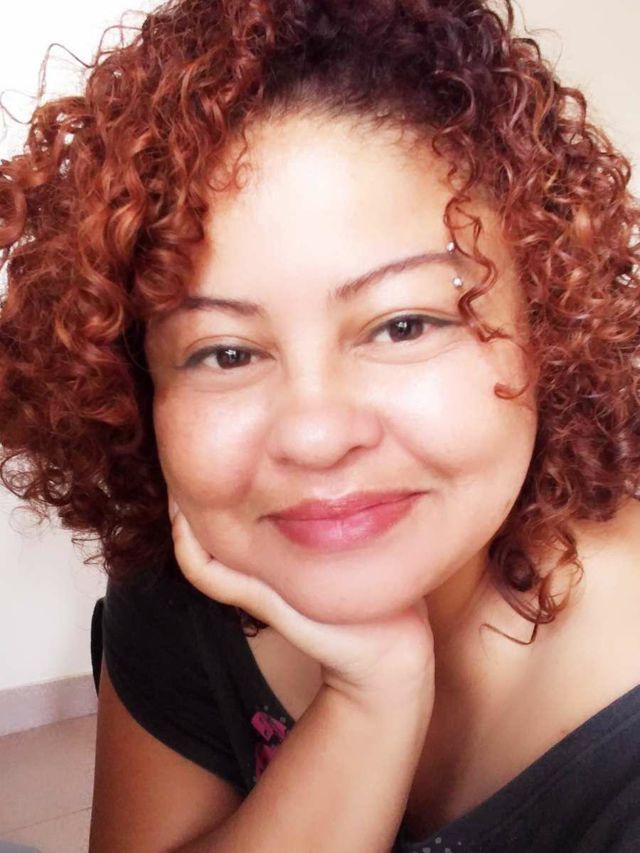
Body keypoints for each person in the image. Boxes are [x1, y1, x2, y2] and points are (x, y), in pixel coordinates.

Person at [1, 0, 639, 850]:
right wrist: (370, 701)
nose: (314, 436)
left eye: (403, 325)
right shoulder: (189, 571)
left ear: (548, 327)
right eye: (225, 352)